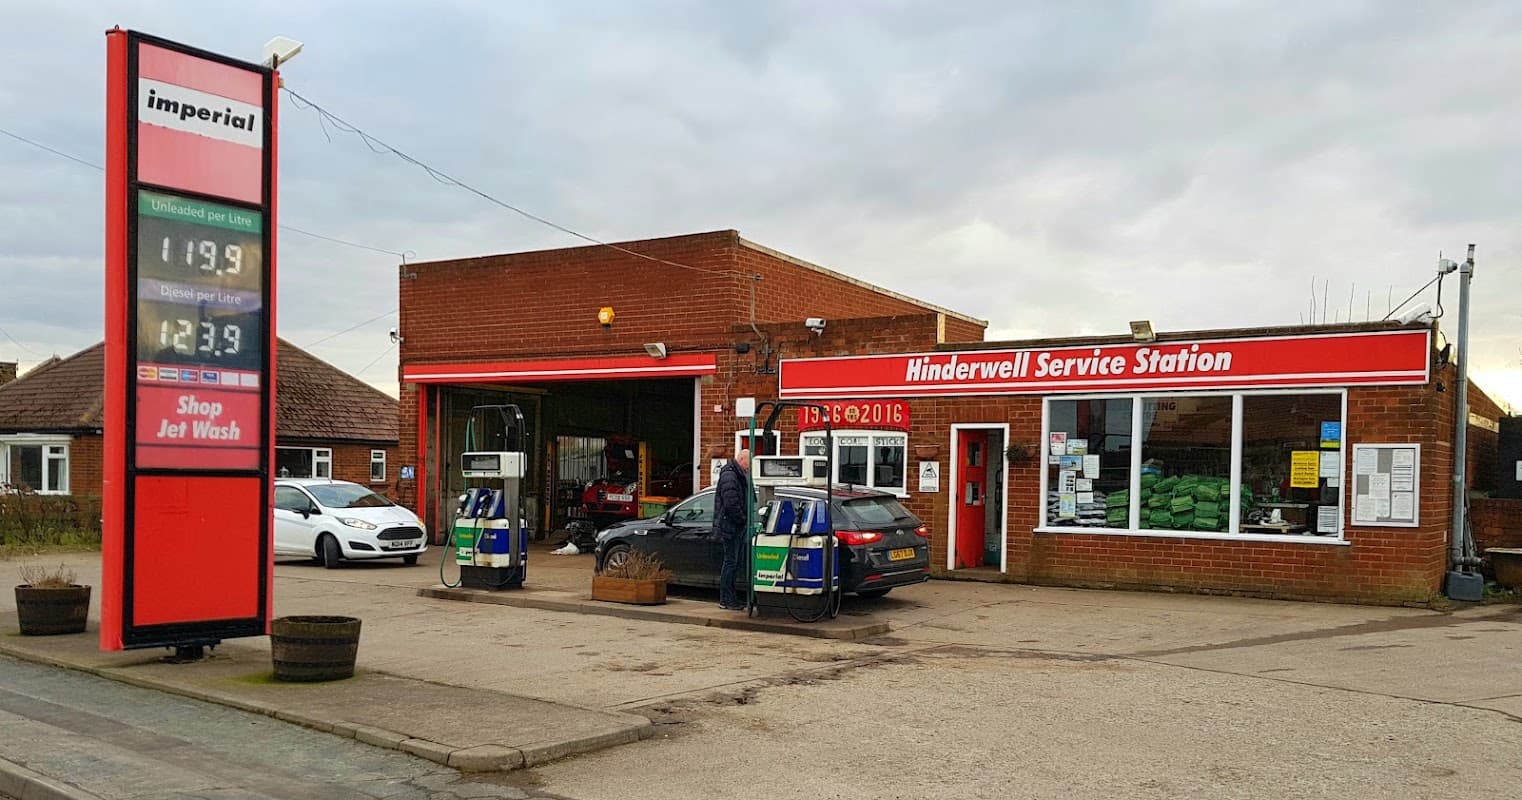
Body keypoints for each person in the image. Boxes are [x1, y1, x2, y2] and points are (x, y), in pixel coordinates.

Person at [714, 447, 751, 610]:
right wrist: (742, 519)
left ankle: (730, 598)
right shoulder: (730, 475)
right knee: (731, 562)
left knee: (733, 563)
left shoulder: (735, 474)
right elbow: (731, 503)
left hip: (733, 525)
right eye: (749, 464)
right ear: (742, 460)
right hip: (731, 526)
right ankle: (726, 599)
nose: (749, 468)